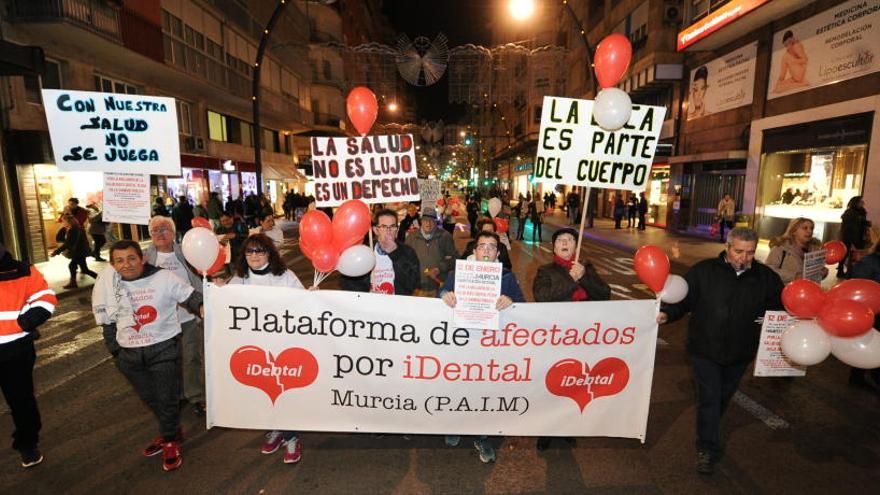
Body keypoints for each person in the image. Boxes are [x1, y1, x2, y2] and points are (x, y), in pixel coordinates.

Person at [657, 228, 784, 475]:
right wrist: (667, 313)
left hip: (741, 352)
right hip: (705, 349)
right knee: (710, 398)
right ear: (727, 247)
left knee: (722, 398)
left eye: (750, 253)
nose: (744, 258)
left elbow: (780, 307)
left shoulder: (766, 277)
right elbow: (683, 300)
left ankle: (709, 428)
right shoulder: (704, 271)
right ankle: (707, 448)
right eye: (738, 251)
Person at [100, 240, 204, 472]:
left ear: (142, 258)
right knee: (150, 398)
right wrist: (116, 352)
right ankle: (172, 430)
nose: (126, 265)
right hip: (129, 356)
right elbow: (107, 321)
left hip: (163, 350)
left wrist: (201, 306)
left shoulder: (163, 278)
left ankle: (169, 441)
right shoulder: (109, 285)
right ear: (113, 264)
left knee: (167, 399)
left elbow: (191, 296)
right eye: (119, 260)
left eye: (131, 258)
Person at [439, 231, 525, 463]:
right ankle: (455, 425)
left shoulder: (507, 277)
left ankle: (482, 434)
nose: (486, 250)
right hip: (462, 341)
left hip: (491, 345)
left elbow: (524, 308)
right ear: (474, 251)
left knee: (485, 391)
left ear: (498, 252)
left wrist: (511, 302)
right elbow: (441, 293)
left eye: (491, 246)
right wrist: (445, 294)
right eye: (482, 246)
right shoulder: (457, 274)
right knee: (459, 385)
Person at [225, 234, 307, 464]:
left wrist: (311, 298)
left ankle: (291, 437)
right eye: (250, 251)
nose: (254, 256)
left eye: (260, 251)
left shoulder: (285, 276)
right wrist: (217, 291)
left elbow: (304, 305)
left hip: (281, 347)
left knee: (283, 393)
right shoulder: (239, 279)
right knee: (263, 393)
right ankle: (275, 430)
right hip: (254, 348)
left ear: (269, 253)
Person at [532, 227, 610, 451]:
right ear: (554, 247)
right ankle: (546, 430)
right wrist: (570, 280)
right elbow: (543, 298)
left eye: (570, 240)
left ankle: (567, 427)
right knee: (551, 383)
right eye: (561, 240)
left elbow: (604, 294)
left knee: (573, 384)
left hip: (582, 338)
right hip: (556, 337)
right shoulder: (545, 271)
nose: (565, 243)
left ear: (576, 246)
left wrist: (583, 277)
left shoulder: (585, 269)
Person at [0, 242, 57, 468]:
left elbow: (46, 298)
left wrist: (28, 320)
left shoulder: (22, 270)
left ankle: (27, 443)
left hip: (15, 351)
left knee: (21, 401)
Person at [144, 216, 206, 416]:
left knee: (192, 358)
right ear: (150, 234)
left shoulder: (187, 252)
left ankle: (195, 396)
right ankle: (176, 396)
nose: (160, 233)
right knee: (169, 362)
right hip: (161, 321)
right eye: (155, 230)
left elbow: (202, 274)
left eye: (164, 229)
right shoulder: (145, 258)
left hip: (188, 316)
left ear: (173, 232)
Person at [340, 209, 420, 295]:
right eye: (384, 226)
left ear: (396, 229)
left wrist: (395, 254)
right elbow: (347, 283)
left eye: (392, 226)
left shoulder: (407, 251)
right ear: (375, 230)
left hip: (397, 306)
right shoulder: (365, 252)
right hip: (371, 305)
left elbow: (412, 284)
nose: (388, 231)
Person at [849, 236, 880, 389]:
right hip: (872, 313)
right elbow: (856, 285)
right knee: (869, 340)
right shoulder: (870, 262)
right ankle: (859, 376)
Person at [406, 208, 457, 297]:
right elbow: (405, 260)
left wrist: (439, 269)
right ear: (421, 221)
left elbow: (454, 259)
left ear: (436, 222)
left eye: (431, 220)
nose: (428, 223)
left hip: (439, 287)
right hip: (417, 288)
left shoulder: (445, 236)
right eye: (425, 220)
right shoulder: (412, 237)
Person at [765, 217, 826, 284]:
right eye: (805, 228)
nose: (810, 231)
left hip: (808, 291)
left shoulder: (815, 250)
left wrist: (822, 273)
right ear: (793, 231)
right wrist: (794, 276)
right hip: (785, 291)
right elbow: (769, 270)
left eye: (811, 228)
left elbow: (814, 277)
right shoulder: (780, 248)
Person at [51, 214, 98, 289]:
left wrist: (56, 252)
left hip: (79, 252)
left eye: (64, 221)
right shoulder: (76, 228)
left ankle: (73, 283)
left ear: (68, 221)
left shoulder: (74, 230)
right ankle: (74, 283)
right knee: (83, 269)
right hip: (80, 251)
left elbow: (68, 243)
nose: (63, 222)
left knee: (73, 266)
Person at [839, 196, 869, 278]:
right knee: (846, 254)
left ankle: (850, 272)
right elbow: (849, 227)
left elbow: (862, 223)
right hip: (849, 237)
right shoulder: (850, 213)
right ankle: (842, 271)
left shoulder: (861, 212)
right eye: (860, 201)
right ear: (855, 203)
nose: (862, 203)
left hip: (858, 237)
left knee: (853, 255)